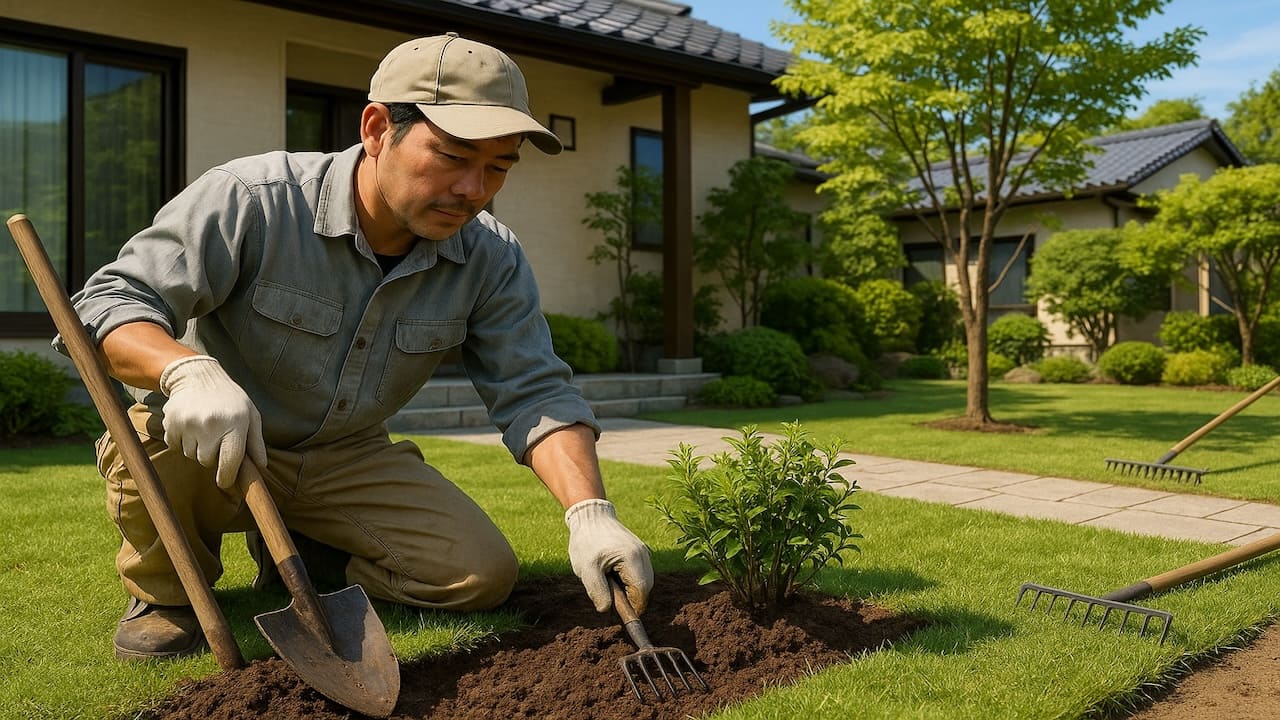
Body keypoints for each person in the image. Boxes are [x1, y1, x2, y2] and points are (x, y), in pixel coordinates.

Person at [61, 32, 653, 661]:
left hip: (348, 456)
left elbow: (534, 388)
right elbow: (107, 307)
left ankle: (318, 554)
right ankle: (167, 592)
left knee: (481, 576)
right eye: (453, 156)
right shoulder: (254, 199)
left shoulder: (490, 256)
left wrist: (590, 512)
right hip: (218, 444)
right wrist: (185, 371)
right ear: (376, 128)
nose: (474, 189)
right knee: (153, 441)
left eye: (498, 167)